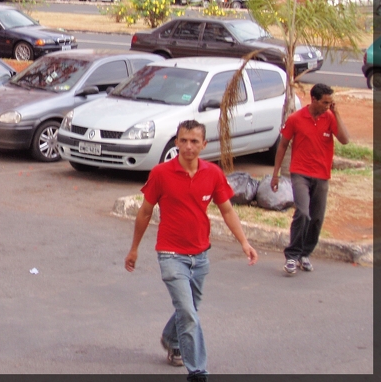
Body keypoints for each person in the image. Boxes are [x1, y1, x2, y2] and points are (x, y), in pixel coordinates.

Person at [125, 120, 257, 382]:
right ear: (176, 142)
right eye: (183, 140)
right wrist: (134, 248)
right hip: (171, 254)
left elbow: (227, 210)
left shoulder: (212, 173)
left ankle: (170, 338)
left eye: (194, 141)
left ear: (204, 145)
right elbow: (145, 211)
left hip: (201, 255)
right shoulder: (161, 173)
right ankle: (198, 370)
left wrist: (244, 242)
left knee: (190, 309)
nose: (188, 146)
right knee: (188, 313)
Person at [271, 83, 349, 275]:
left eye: (330, 103)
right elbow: (282, 146)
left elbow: (345, 139)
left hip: (322, 176)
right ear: (313, 99)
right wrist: (276, 174)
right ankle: (292, 255)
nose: (327, 106)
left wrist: (336, 113)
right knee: (303, 213)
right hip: (300, 173)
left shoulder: (330, 117)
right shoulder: (296, 119)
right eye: (325, 102)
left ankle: (305, 254)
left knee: (316, 218)